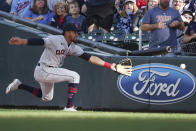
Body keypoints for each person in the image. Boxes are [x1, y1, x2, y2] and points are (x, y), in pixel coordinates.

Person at [5, 24, 122, 111]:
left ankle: (19, 85)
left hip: (46, 71)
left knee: (46, 98)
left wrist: (110, 65)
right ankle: (69, 107)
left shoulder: (73, 47)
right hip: (45, 69)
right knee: (74, 76)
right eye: (75, 32)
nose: (77, 34)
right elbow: (39, 41)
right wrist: (22, 41)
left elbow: (90, 58)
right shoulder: (56, 39)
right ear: (67, 32)